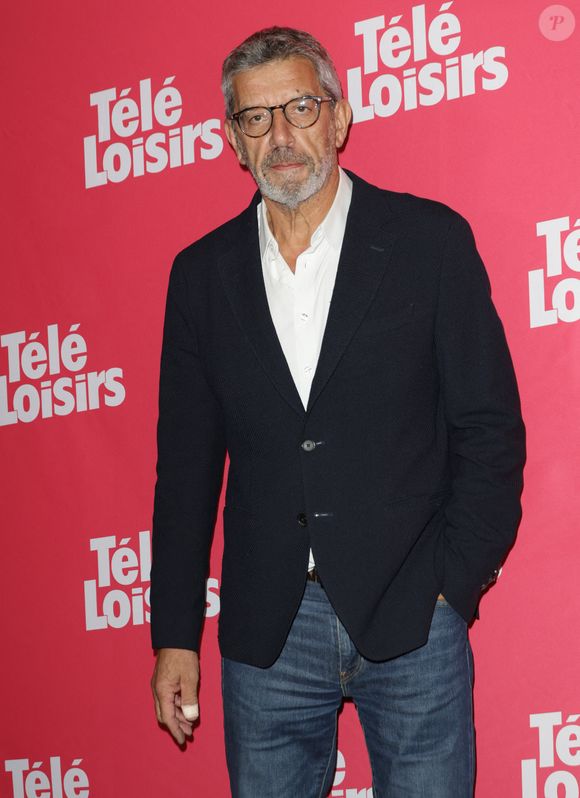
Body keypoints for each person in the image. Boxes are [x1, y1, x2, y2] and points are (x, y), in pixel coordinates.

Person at [150, 26, 525, 798]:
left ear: (340, 118)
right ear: (233, 139)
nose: (281, 135)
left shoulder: (429, 242)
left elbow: (488, 430)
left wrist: (453, 587)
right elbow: (184, 475)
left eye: (300, 107)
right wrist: (175, 636)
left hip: (412, 615)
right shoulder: (200, 277)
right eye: (257, 117)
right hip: (267, 632)